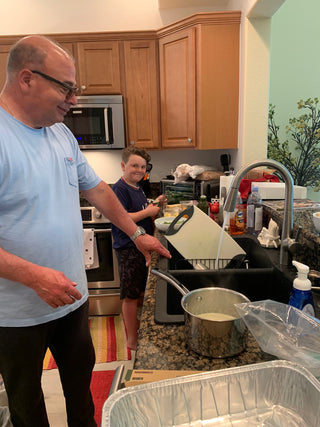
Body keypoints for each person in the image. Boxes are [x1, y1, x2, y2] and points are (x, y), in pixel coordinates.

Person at [0, 35, 170, 427]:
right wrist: (34, 277)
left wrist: (136, 232)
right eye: (65, 88)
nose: (73, 100)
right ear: (27, 78)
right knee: (27, 403)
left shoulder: (59, 134)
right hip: (17, 314)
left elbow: (97, 190)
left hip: (73, 298)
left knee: (80, 390)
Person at [111, 147, 165, 350]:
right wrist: (149, 211)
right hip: (128, 248)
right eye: (134, 165)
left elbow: (138, 212)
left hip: (140, 246)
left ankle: (136, 330)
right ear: (123, 166)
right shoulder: (120, 189)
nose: (139, 170)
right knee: (130, 295)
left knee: (138, 291)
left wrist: (152, 206)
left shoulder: (137, 187)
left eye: (143, 167)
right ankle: (131, 340)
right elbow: (122, 218)